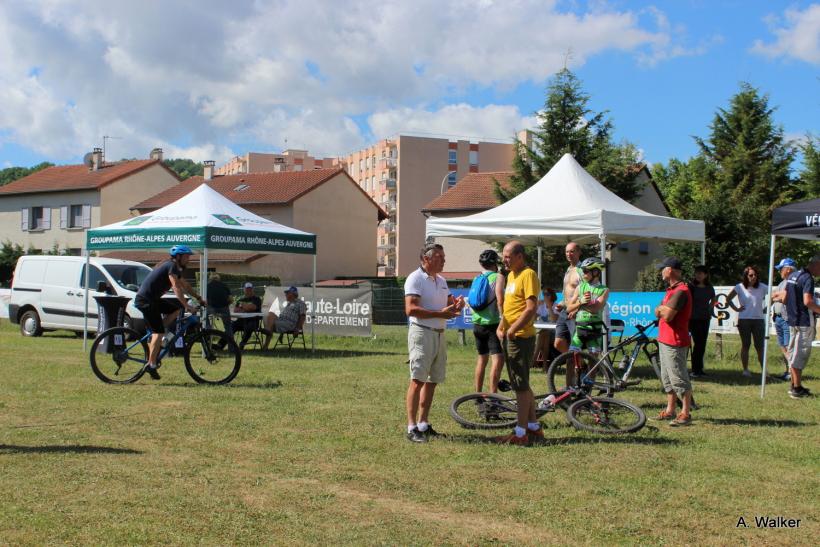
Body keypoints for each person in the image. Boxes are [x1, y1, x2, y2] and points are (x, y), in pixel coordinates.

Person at [403, 243, 464, 443]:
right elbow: (411, 309)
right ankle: (411, 427)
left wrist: (457, 306)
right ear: (426, 259)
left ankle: (423, 423)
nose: (443, 260)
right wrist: (441, 313)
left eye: (443, 256)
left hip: (439, 334)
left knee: (432, 381)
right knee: (418, 379)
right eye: (439, 256)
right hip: (422, 332)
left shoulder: (442, 280)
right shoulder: (415, 278)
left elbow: (449, 306)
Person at [134, 245, 205, 380]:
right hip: (145, 301)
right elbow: (176, 286)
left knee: (175, 309)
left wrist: (199, 298)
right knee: (158, 332)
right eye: (186, 256)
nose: (189, 259)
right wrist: (187, 306)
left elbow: (185, 285)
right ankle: (151, 364)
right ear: (178, 257)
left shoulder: (174, 267)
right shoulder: (171, 265)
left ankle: (160, 332)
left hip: (152, 300)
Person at [495, 240, 542, 445]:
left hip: (520, 337)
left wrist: (513, 330)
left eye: (508, 256)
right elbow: (510, 307)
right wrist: (502, 326)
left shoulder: (528, 274)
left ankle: (520, 433)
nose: (504, 260)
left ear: (520, 256)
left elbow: (530, 307)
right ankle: (534, 428)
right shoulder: (510, 276)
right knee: (521, 383)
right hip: (510, 335)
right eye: (503, 256)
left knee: (520, 387)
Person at [653, 257, 693, 427]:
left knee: (678, 377)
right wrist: (661, 309)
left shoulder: (681, 291)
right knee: (667, 378)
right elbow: (659, 310)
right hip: (665, 339)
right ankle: (670, 410)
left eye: (662, 269)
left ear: (670, 270)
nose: (661, 272)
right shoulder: (672, 290)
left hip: (674, 341)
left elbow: (668, 315)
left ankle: (685, 413)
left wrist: (662, 309)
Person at [783, 255, 820, 399]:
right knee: (800, 355)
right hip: (804, 321)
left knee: (792, 353)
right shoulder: (807, 278)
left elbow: (785, 298)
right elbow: (808, 301)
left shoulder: (793, 275)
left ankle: (794, 385)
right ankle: (797, 389)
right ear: (817, 265)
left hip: (793, 320)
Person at [470, 249, 504, 394]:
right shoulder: (498, 277)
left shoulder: (476, 278)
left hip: (477, 324)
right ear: (495, 263)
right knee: (497, 359)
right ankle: (493, 396)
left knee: (481, 360)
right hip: (492, 324)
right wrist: (503, 320)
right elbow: (500, 299)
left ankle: (477, 394)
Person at [726, 266, 768, 377]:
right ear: (746, 276)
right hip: (744, 320)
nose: (753, 277)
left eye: (755, 275)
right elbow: (728, 299)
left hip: (759, 320)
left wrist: (767, 307)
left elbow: (773, 296)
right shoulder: (739, 287)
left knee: (760, 346)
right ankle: (745, 370)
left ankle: (764, 371)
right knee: (746, 345)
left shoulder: (763, 287)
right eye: (751, 275)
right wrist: (736, 309)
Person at [565, 257, 609, 356]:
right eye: (582, 271)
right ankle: (578, 370)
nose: (583, 274)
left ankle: (590, 371)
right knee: (571, 358)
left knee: (592, 360)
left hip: (594, 329)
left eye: (585, 271)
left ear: (595, 272)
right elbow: (568, 308)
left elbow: (595, 309)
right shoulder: (580, 287)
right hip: (580, 327)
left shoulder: (604, 290)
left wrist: (579, 306)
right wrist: (580, 301)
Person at [687, 265, 716, 378]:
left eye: (700, 273)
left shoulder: (709, 287)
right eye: (696, 273)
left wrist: (710, 309)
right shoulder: (691, 286)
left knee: (701, 345)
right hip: (691, 319)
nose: (698, 275)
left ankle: (698, 370)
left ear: (706, 275)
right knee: (689, 344)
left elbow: (714, 299)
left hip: (704, 319)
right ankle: (690, 370)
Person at [554, 242, 582, 355]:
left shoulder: (582, 270)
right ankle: (581, 363)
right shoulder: (569, 269)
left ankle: (576, 364)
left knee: (574, 344)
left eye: (572, 251)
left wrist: (577, 309)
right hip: (565, 311)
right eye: (567, 251)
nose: (569, 254)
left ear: (579, 252)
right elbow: (567, 290)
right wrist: (561, 303)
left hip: (575, 312)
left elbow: (585, 292)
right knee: (558, 343)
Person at [771, 258, 797, 381]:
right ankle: (788, 371)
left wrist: (777, 297)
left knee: (788, 346)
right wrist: (777, 297)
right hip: (778, 318)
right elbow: (774, 296)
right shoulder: (782, 283)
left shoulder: (793, 282)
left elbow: (785, 298)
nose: (779, 271)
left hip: (787, 319)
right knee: (782, 345)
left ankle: (793, 372)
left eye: (781, 269)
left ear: (788, 269)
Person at [231, 282, 262, 349]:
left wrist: (242, 306)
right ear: (244, 290)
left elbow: (253, 307)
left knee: (249, 326)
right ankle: (220, 345)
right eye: (247, 289)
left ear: (253, 290)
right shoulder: (240, 299)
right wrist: (246, 308)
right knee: (231, 326)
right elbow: (235, 310)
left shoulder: (257, 299)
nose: (248, 291)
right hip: (241, 321)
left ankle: (242, 343)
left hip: (253, 321)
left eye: (250, 289)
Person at [533, 285, 558, 368]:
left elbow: (554, 319)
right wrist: (536, 306)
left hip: (555, 333)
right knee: (544, 336)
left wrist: (549, 306)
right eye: (544, 294)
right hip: (544, 332)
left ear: (552, 295)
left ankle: (534, 359)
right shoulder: (542, 306)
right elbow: (533, 318)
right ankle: (544, 365)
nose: (545, 296)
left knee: (543, 334)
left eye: (547, 294)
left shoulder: (556, 305)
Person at [206, 273, 233, 338]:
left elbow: (205, 300)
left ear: (210, 279)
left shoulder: (207, 286)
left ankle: (208, 330)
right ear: (219, 279)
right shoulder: (224, 285)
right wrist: (226, 305)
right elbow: (231, 299)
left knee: (203, 315)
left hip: (212, 308)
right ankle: (232, 346)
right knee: (228, 327)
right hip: (224, 308)